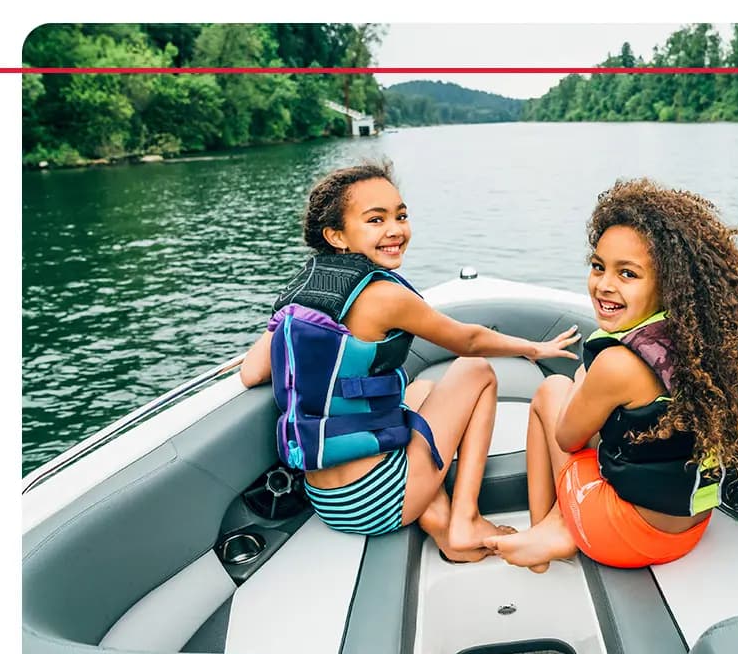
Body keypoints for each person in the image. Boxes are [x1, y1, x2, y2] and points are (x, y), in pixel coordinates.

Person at [239, 161, 579, 562]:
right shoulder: (385, 297)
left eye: (400, 215)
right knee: (478, 372)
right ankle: (465, 520)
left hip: (325, 498)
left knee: (420, 390)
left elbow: (251, 372)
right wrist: (532, 348)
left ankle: (438, 517)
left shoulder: (304, 290)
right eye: (375, 220)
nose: (395, 229)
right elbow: (468, 341)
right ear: (337, 235)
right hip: (377, 497)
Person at [485, 178, 738, 572]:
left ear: (668, 284)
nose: (604, 285)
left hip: (626, 538)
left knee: (551, 390)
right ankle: (558, 525)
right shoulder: (706, 345)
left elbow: (567, 436)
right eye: (598, 267)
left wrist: (585, 375)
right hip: (691, 529)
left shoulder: (617, 365)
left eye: (627, 274)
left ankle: (549, 530)